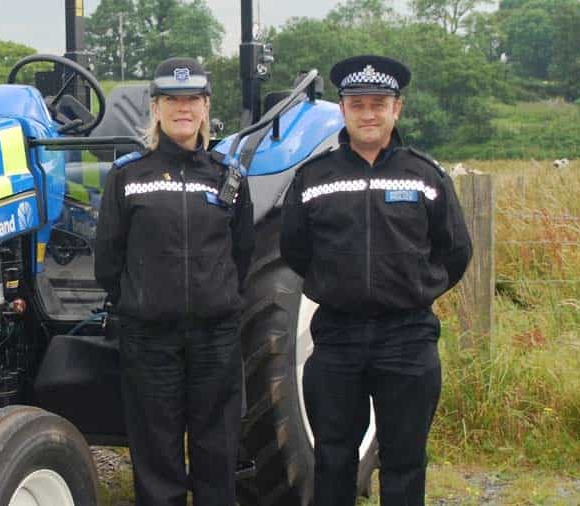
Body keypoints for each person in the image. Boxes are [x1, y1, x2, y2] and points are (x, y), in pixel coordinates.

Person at [280, 55, 473, 505]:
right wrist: (338, 286)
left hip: (406, 340)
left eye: (378, 104)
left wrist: (414, 291)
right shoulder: (313, 179)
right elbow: (295, 250)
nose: (368, 114)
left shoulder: (426, 177)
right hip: (337, 341)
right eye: (358, 104)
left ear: (396, 109)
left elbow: (455, 252)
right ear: (343, 110)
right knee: (332, 459)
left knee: (405, 461)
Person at [94, 57, 256, 506]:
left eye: (192, 100)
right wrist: (142, 302)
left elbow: (243, 252)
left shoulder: (229, 177)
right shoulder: (128, 176)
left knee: (216, 450)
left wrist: (216, 299)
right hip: (149, 338)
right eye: (172, 99)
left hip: (215, 339)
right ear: (157, 108)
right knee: (157, 454)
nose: (182, 108)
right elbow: (108, 258)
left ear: (205, 107)